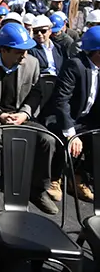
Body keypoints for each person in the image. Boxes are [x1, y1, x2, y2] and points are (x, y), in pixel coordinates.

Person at [0, 23, 57, 214]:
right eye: (19, 51)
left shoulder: (32, 63)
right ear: (4, 49)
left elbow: (36, 93)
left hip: (20, 115)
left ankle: (38, 189)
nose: (24, 55)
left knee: (47, 140)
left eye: (25, 50)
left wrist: (24, 113)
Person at [42, 26, 100, 203]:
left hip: (86, 118)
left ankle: (79, 175)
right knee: (64, 138)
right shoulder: (75, 65)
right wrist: (70, 133)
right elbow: (61, 101)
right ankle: (55, 178)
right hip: (61, 118)